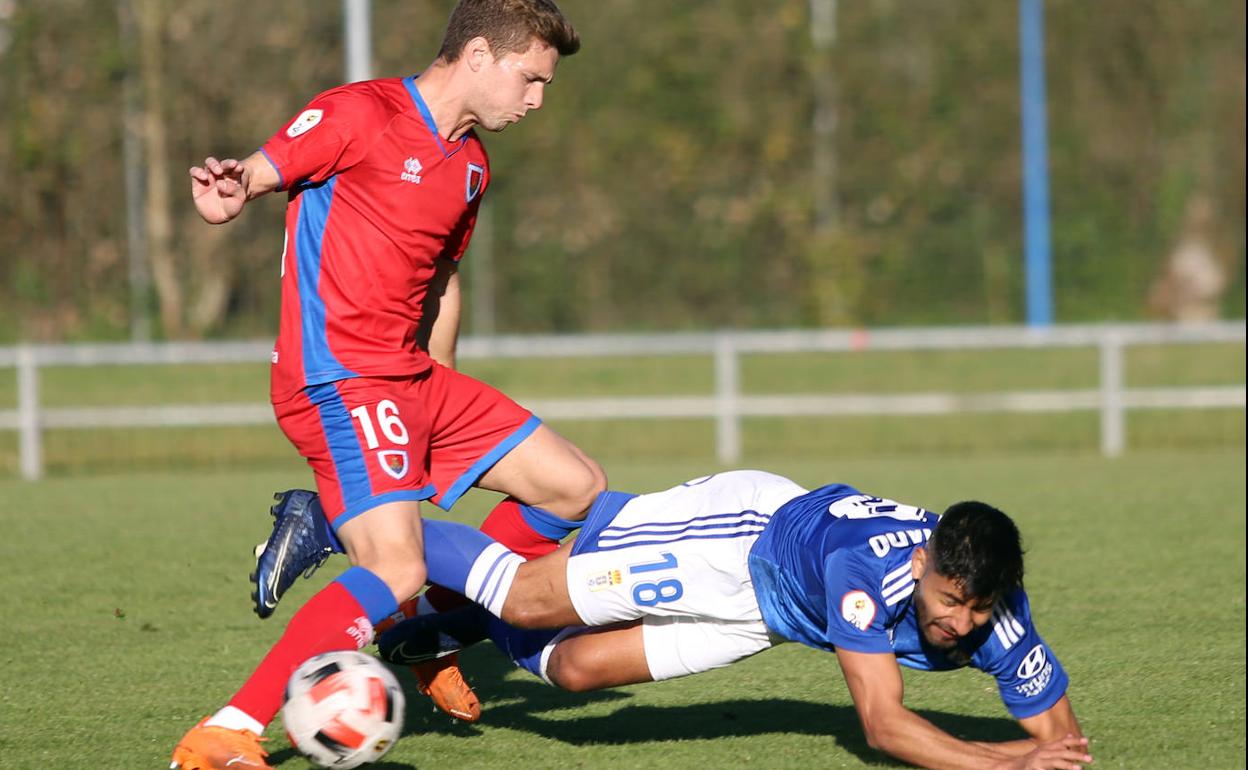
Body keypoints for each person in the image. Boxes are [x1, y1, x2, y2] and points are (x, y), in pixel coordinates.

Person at [170, 2, 606, 768]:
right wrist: (237, 186)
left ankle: (424, 631)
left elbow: (442, 282)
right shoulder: (359, 113)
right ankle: (225, 732)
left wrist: (441, 395)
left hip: (413, 378)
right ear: (478, 55)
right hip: (336, 377)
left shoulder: (471, 164)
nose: (536, 100)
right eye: (531, 79)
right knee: (395, 564)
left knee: (574, 488)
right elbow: (263, 170)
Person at [377, 469, 1093, 770]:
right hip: (739, 537)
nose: (963, 625)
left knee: (573, 670)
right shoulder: (864, 579)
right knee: (531, 598)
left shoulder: (995, 606)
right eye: (949, 603)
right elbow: (883, 725)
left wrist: (1041, 754)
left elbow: (1061, 741)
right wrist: (1006, 760)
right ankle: (359, 515)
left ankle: (461, 619)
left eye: (978, 610)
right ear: (919, 567)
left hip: (768, 613)